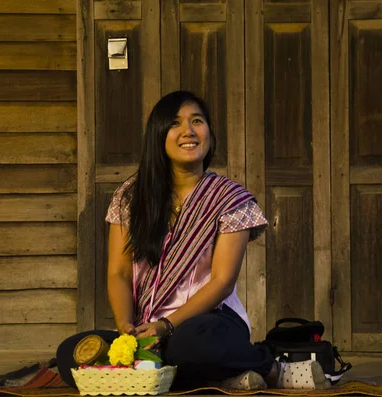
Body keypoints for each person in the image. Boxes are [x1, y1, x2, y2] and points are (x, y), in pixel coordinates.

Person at [56, 90, 329, 390]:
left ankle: (271, 368)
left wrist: (167, 325)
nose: (188, 131)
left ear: (209, 133)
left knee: (190, 345)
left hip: (209, 322)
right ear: (158, 135)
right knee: (72, 353)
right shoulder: (131, 197)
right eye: (175, 123)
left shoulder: (229, 199)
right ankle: (225, 376)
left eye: (197, 121)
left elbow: (222, 282)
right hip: (145, 325)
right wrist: (125, 327)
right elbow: (119, 273)